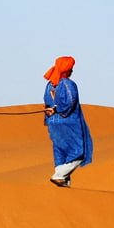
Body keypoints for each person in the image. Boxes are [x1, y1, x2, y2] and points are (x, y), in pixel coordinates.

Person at [43, 56, 92, 187]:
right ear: (67, 70)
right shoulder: (68, 84)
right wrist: (59, 110)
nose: (72, 72)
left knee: (61, 150)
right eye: (71, 69)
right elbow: (70, 102)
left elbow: (47, 103)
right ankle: (59, 175)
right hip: (68, 122)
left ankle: (64, 181)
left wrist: (51, 111)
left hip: (53, 122)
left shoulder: (50, 84)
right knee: (79, 152)